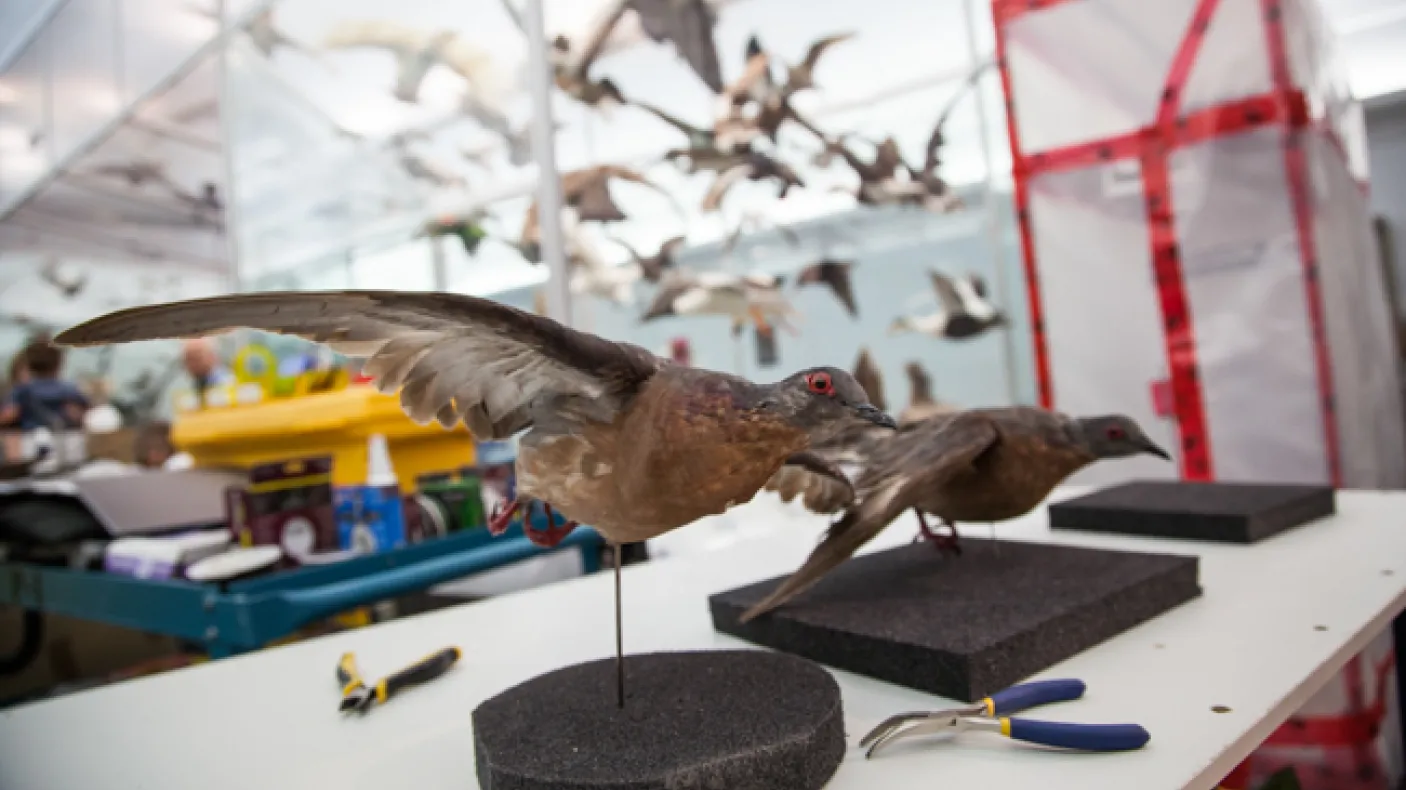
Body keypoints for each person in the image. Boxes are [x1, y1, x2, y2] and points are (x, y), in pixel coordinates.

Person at [0, 339, 88, 430]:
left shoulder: (22, 389)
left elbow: (11, 413)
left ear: (29, 364)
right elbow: (82, 414)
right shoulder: (69, 389)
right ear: (58, 364)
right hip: (65, 437)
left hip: (30, 436)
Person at [181, 338, 234, 406]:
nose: (193, 364)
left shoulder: (228, 384)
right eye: (188, 359)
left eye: (197, 357)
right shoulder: (194, 386)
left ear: (213, 356)